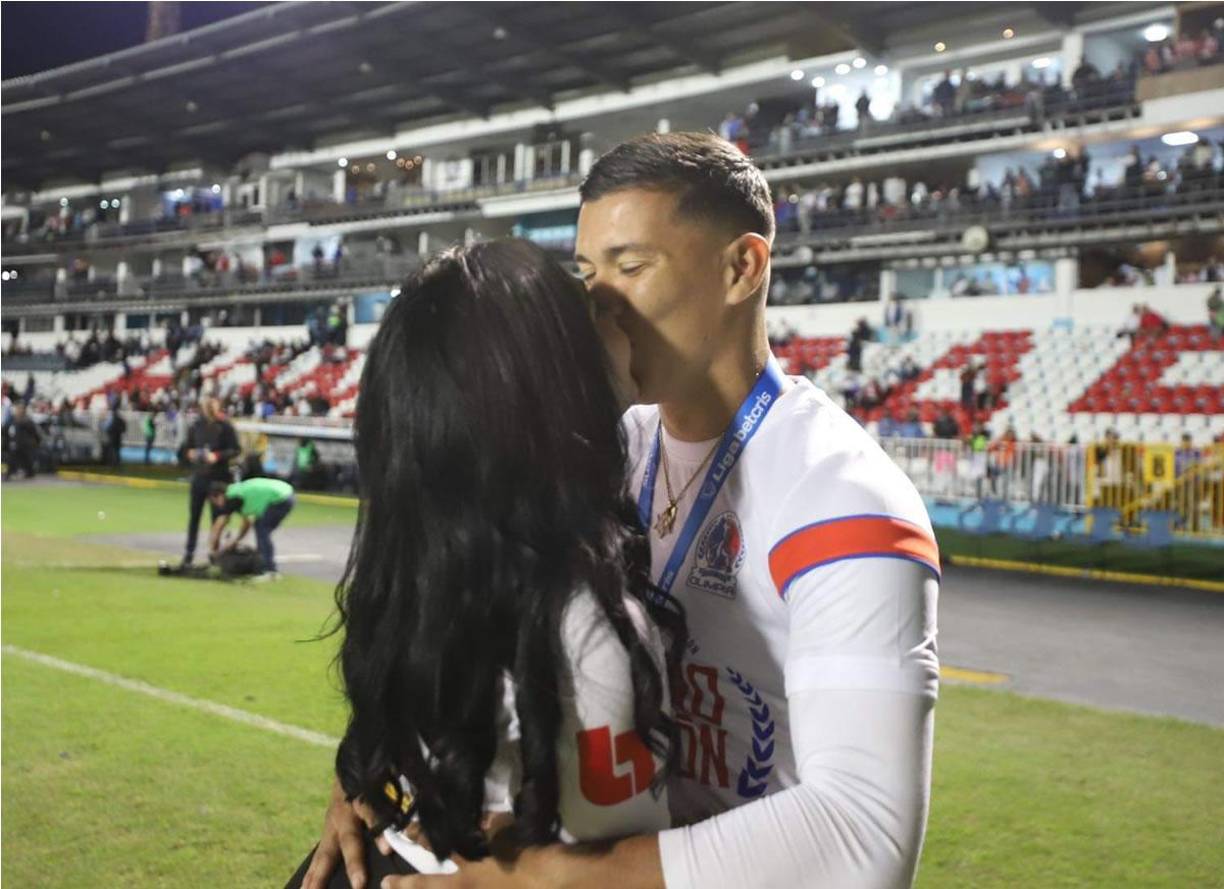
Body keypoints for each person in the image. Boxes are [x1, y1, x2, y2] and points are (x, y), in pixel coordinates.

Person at [306, 133, 939, 889]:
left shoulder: (841, 494)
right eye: (587, 273)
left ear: (742, 268)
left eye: (631, 267)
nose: (598, 301)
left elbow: (863, 833)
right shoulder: (597, 444)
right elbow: (452, 578)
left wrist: (542, 881)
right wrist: (369, 764)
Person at [292, 241, 678, 887]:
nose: (618, 313)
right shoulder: (585, 628)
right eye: (591, 314)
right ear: (555, 379)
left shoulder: (428, 567)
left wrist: (359, 772)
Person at [180, 397, 241, 568]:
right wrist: (190, 453)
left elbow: (236, 449)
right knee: (194, 517)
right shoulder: (196, 426)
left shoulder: (226, 426)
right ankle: (189, 554)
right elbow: (186, 448)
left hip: (218, 478)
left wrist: (218, 456)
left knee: (217, 518)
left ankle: (214, 554)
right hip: (199, 476)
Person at [207, 476, 295, 579]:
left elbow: (220, 524)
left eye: (215, 501)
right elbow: (247, 522)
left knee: (262, 530)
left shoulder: (232, 498)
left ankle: (270, 571)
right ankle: (264, 566)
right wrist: (236, 541)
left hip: (280, 498)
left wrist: (214, 549)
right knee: (261, 529)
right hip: (285, 493)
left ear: (220, 496)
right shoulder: (235, 491)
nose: (217, 505)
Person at [3, 402, 42, 480]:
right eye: (17, 409)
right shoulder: (12, 420)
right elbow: (5, 431)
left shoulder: (27, 421)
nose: (18, 411)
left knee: (28, 461)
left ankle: (30, 474)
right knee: (12, 460)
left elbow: (35, 432)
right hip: (15, 444)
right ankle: (9, 474)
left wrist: (37, 441)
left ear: (23, 410)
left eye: (20, 409)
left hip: (26, 445)